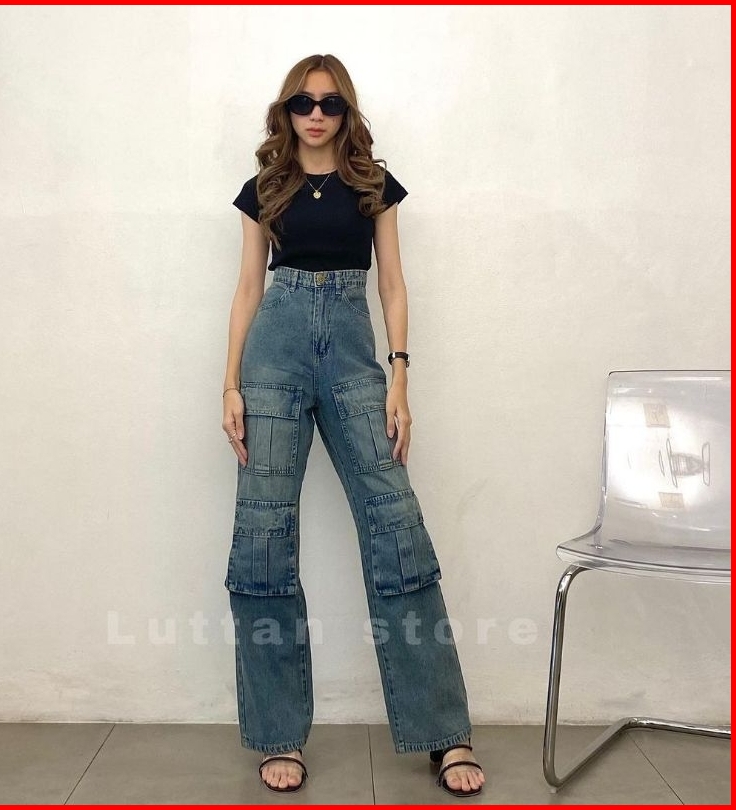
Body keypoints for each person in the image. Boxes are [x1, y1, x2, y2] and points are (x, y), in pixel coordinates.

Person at [221, 54, 485, 799]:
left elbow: (393, 285)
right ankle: (279, 733)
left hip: (352, 360)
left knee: (396, 526)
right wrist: (231, 383)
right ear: (286, 111)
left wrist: (399, 376)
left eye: (330, 104)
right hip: (272, 358)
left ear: (347, 112)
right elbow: (247, 289)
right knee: (264, 533)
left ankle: (444, 730)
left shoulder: (372, 184)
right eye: (303, 103)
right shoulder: (265, 188)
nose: (316, 115)